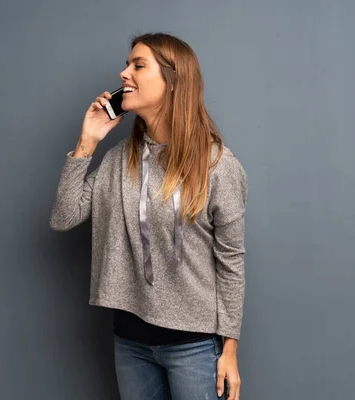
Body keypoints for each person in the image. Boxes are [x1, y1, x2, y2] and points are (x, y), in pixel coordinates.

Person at [50, 32, 247, 400]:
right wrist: (87, 142)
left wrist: (230, 351)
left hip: (195, 346)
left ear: (173, 81)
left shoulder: (217, 166)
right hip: (130, 342)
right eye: (126, 65)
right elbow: (64, 216)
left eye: (138, 65)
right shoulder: (117, 160)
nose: (124, 73)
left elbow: (231, 262)